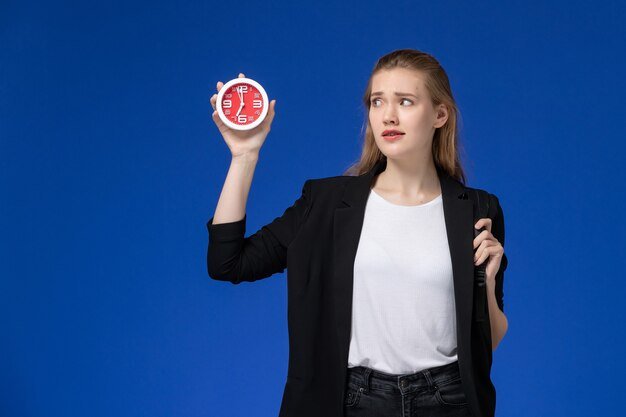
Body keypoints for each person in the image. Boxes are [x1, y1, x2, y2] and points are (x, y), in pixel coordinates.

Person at [206, 49, 508, 417]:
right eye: (377, 101)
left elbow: (485, 342)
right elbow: (228, 263)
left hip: (449, 401)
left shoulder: (477, 209)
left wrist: (488, 285)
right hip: (354, 401)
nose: (389, 115)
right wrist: (244, 156)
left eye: (406, 101)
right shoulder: (327, 203)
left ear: (439, 114)